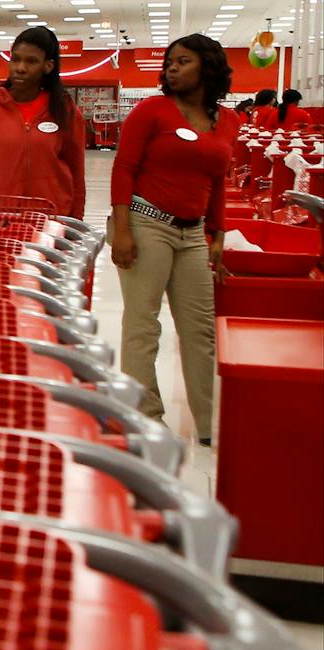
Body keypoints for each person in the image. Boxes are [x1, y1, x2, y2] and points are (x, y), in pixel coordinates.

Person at [110, 33, 237, 444]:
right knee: (143, 324)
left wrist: (217, 234)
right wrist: (123, 230)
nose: (172, 68)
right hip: (147, 225)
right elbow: (124, 169)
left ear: (208, 66)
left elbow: (217, 181)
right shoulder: (152, 111)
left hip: (194, 233)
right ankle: (144, 417)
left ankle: (209, 425)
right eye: (170, 61)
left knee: (200, 329)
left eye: (183, 61)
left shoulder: (228, 121)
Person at [0, 25, 86, 217]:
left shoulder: (65, 111)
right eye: (15, 59)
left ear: (48, 66)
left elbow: (76, 172)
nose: (20, 68)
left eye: (31, 61)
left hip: (51, 223)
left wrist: (75, 222)